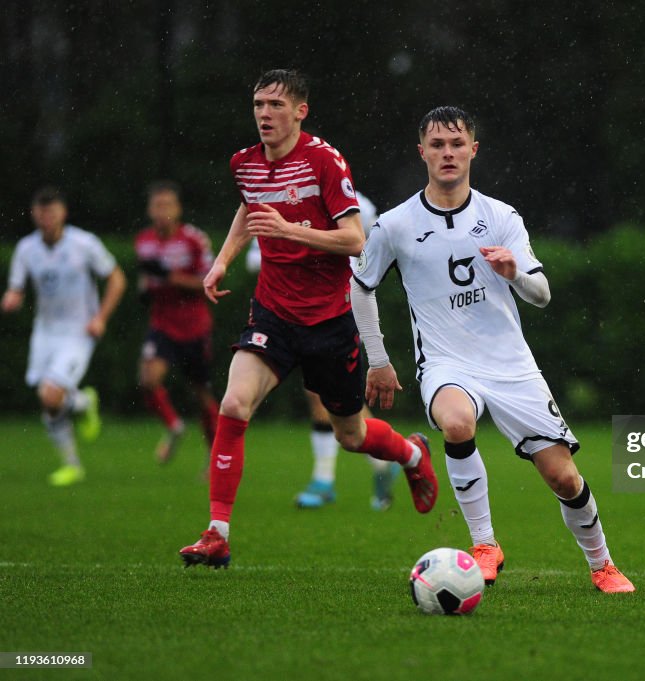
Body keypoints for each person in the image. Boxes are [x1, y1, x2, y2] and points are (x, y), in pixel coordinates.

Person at [350, 106, 634, 593]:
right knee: (456, 422)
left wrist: (515, 273)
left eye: (457, 144)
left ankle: (602, 564)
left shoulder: (501, 216)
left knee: (563, 478)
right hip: (444, 362)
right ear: (421, 152)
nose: (447, 153)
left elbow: (541, 294)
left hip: (511, 366)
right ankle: (484, 543)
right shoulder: (395, 225)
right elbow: (361, 285)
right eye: (437, 145)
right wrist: (378, 360)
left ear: (473, 150)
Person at [178, 69, 438, 569]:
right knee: (234, 404)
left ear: (301, 111)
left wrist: (290, 231)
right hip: (273, 313)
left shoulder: (324, 160)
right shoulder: (245, 163)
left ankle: (411, 454)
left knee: (352, 435)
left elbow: (354, 240)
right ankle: (217, 533)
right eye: (257, 105)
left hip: (330, 321)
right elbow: (250, 208)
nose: (264, 115)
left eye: (275, 105)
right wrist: (223, 260)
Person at [245, 191, 400, 510]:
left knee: (324, 395)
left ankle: (329, 477)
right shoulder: (273, 199)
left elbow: (372, 250)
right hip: (290, 310)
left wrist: (311, 247)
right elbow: (252, 257)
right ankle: (383, 461)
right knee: (332, 399)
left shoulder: (357, 203)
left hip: (336, 308)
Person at [2, 187, 126, 486]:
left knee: (51, 393)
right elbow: (16, 287)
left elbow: (117, 278)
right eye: (42, 211)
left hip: (79, 331)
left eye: (52, 211)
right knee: (49, 401)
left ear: (63, 213)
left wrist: (100, 318)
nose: (47, 217)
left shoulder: (84, 244)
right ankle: (81, 411)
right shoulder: (26, 249)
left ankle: (73, 450)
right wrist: (12, 298)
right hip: (45, 332)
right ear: (34, 214)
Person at [135, 180, 221, 465]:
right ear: (149, 210)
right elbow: (146, 283)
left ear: (179, 208)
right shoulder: (143, 241)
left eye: (167, 205)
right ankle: (174, 426)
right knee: (148, 380)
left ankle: (215, 457)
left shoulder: (194, 240)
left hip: (194, 326)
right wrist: (145, 289)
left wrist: (171, 277)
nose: (162, 212)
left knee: (202, 395)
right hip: (162, 325)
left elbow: (210, 282)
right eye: (157, 206)